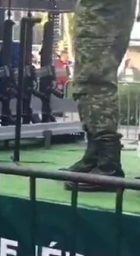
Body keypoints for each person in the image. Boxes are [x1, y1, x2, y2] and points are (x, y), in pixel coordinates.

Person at [63, 0, 138, 191]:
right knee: (87, 78)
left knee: (94, 80)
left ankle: (107, 163)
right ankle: (96, 155)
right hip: (100, 8)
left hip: (103, 8)